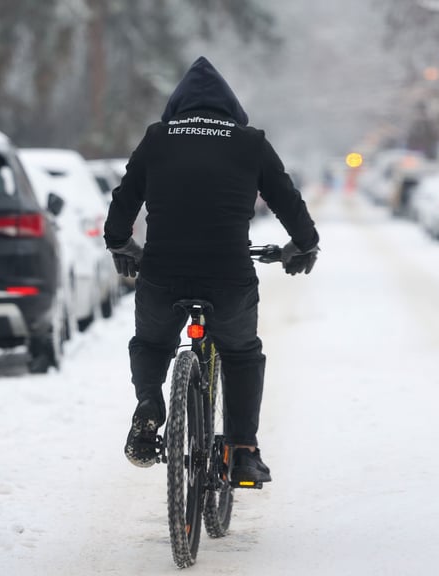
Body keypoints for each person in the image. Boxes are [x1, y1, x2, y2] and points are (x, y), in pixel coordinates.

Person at [104, 56, 319, 484]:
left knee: (151, 343)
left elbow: (123, 203)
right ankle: (243, 451)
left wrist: (122, 246)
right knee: (240, 353)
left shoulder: (158, 138)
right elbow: (287, 200)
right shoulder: (250, 142)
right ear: (232, 108)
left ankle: (149, 405)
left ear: (177, 107)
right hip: (227, 274)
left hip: (163, 271)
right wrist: (302, 245)